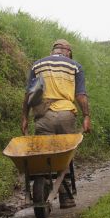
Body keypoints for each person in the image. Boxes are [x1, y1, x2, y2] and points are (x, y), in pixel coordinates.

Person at [21, 39, 91, 208]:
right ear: (68, 52)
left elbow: (29, 94)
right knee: (64, 155)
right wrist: (86, 116)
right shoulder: (75, 66)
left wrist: (24, 117)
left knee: (45, 156)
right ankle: (65, 197)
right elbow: (80, 95)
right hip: (66, 115)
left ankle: (46, 186)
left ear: (53, 51)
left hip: (44, 116)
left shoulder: (37, 65)